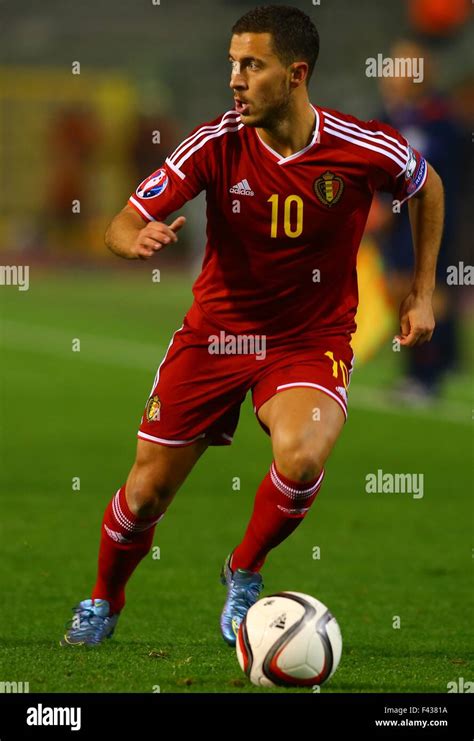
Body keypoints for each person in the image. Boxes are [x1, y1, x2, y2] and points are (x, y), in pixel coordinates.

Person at [61, 5, 444, 649]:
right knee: (147, 492)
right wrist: (134, 240)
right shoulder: (216, 143)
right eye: (232, 65)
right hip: (215, 336)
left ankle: (244, 572)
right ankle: (103, 599)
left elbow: (425, 185)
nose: (235, 80)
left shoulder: (358, 145)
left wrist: (422, 292)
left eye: (252, 66)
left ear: (296, 75)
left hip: (307, 342)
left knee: (300, 459)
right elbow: (123, 219)